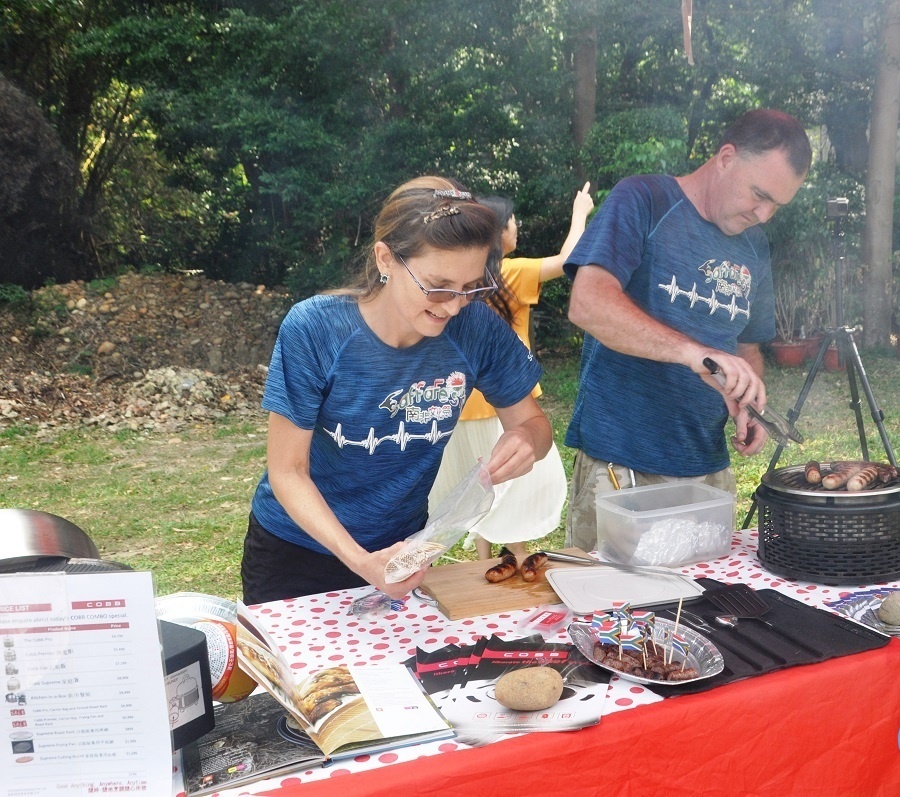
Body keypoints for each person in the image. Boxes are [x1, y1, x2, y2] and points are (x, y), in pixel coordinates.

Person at [241, 176, 553, 605]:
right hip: (296, 551)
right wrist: (361, 561)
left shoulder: (475, 329)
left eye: (470, 287)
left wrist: (525, 440)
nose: (453, 305)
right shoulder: (316, 329)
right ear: (386, 258)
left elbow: (535, 424)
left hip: (404, 550)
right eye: (437, 285)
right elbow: (287, 471)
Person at [562, 109, 812, 551]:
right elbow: (588, 303)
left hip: (709, 472)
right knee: (612, 611)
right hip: (623, 467)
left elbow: (746, 343)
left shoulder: (755, 245)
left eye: (777, 204)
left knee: (704, 612)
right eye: (759, 194)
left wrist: (746, 401)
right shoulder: (644, 200)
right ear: (726, 157)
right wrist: (692, 353)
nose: (764, 213)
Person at [428, 184, 595, 562]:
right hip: (506, 406)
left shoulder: (470, 282)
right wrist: (579, 212)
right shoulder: (513, 272)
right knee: (513, 484)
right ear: (498, 231)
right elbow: (571, 257)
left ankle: (487, 561)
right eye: (512, 221)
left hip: (460, 405)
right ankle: (517, 558)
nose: (516, 226)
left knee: (478, 484)